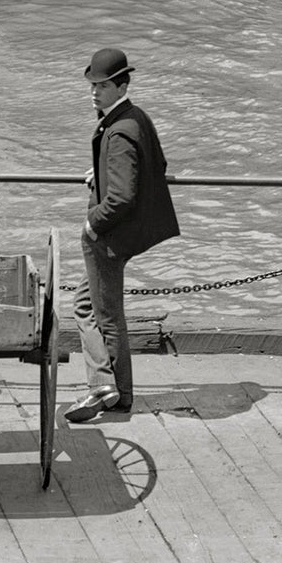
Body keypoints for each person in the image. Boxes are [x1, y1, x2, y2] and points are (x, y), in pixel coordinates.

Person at [65, 48, 180, 424]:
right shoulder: (136, 118)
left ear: (122, 85)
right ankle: (116, 392)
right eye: (92, 86)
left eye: (102, 86)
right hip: (122, 234)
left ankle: (106, 388)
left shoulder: (119, 130)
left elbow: (122, 196)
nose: (94, 93)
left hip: (107, 237)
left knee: (103, 314)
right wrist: (100, 173)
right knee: (91, 305)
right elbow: (156, 166)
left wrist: (92, 224)